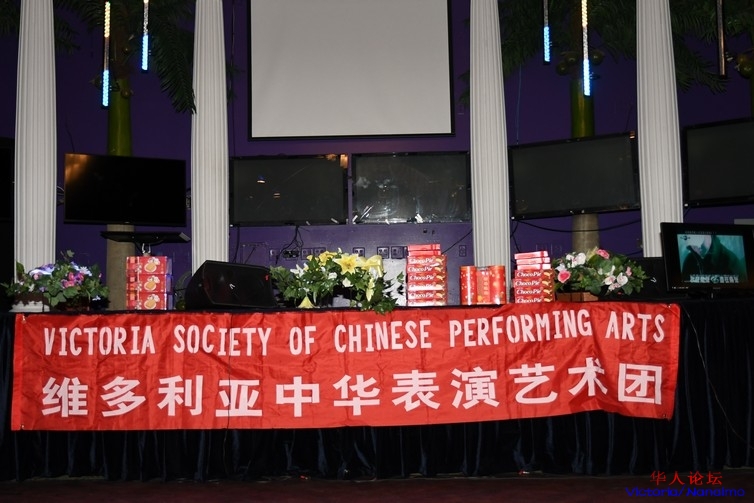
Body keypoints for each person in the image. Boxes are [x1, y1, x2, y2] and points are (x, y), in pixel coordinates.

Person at [680, 234, 748, 284]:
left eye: (699, 239)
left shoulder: (731, 263)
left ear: (709, 235)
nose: (697, 247)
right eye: (693, 243)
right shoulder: (689, 261)